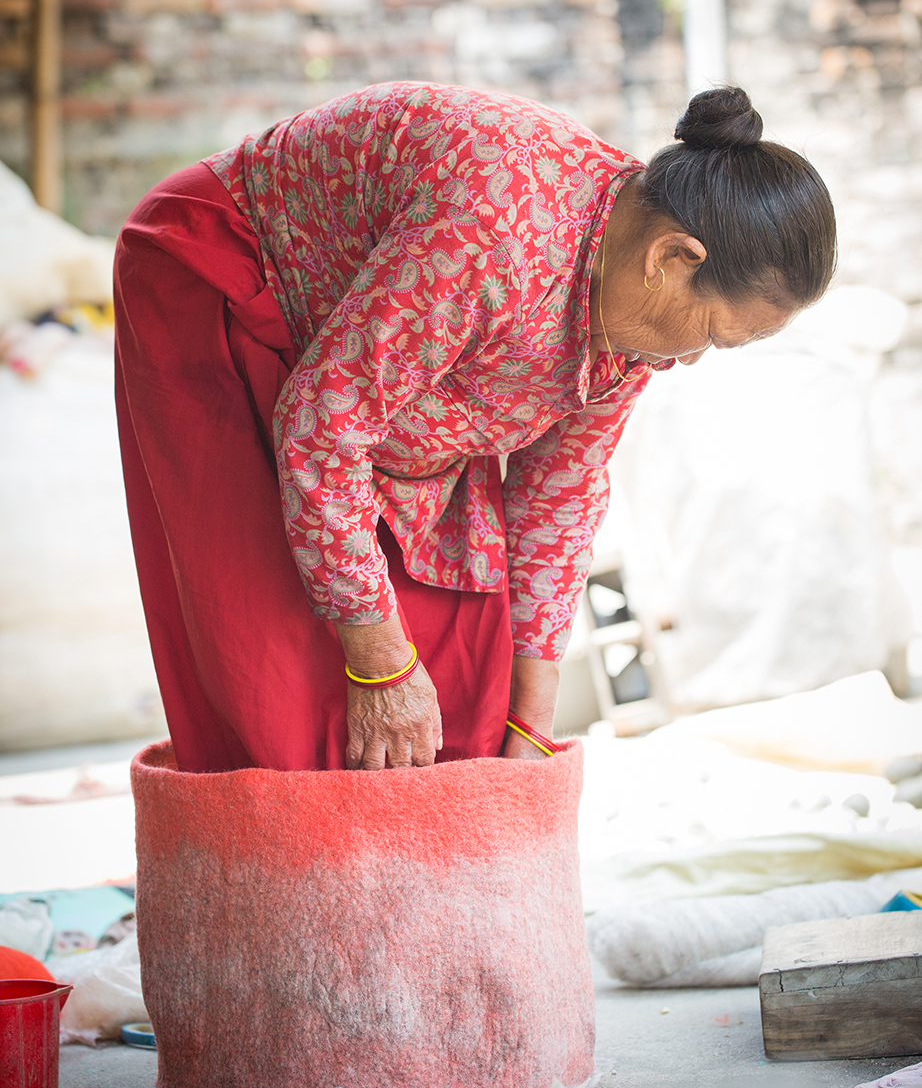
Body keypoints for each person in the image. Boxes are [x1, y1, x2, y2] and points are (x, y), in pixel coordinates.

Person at [114, 82, 836, 775]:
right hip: (229, 275)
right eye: (711, 332)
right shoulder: (492, 237)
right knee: (280, 689)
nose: (689, 361)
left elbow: (560, 493)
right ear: (672, 260)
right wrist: (381, 661)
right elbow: (323, 426)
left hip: (362, 388)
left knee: (471, 698)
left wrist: (531, 728)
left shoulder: (633, 318)